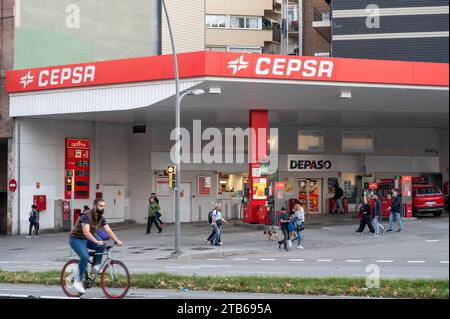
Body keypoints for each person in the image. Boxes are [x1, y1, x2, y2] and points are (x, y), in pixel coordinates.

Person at [69, 198, 123, 294]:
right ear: (95, 206)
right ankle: (77, 282)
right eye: (101, 206)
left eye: (104, 206)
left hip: (87, 238)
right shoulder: (86, 215)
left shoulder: (101, 217)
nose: (103, 208)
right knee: (85, 257)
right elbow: (86, 232)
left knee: (102, 244)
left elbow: (108, 230)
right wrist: (95, 241)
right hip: (77, 239)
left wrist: (117, 240)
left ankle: (95, 266)